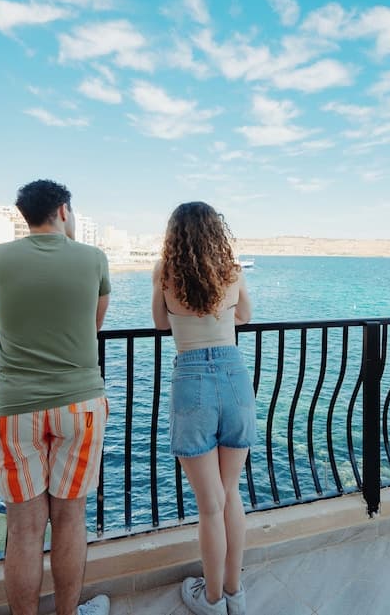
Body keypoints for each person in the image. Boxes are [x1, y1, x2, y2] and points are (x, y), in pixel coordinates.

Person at [0, 180, 111, 615]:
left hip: (15, 408)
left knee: (24, 529)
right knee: (70, 519)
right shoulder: (93, 258)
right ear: (63, 210)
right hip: (80, 404)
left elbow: (0, 325)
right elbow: (93, 325)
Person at [151, 202, 255, 615]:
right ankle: (235, 594)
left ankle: (211, 600)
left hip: (191, 378)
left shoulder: (164, 272)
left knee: (210, 505)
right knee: (231, 494)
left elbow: (161, 323)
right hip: (234, 374)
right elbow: (245, 315)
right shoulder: (231, 270)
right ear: (217, 233)